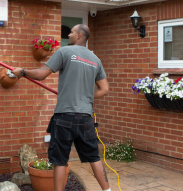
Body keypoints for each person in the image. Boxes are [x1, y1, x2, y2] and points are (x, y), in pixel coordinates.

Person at [12, 24, 110, 191]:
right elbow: (104, 89)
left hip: (64, 118)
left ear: (79, 36)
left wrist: (22, 72)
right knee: (94, 157)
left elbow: (42, 74)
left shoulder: (64, 52)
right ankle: (107, 190)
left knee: (59, 161)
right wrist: (84, 95)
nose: (69, 34)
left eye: (71, 32)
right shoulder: (95, 59)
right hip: (85, 119)